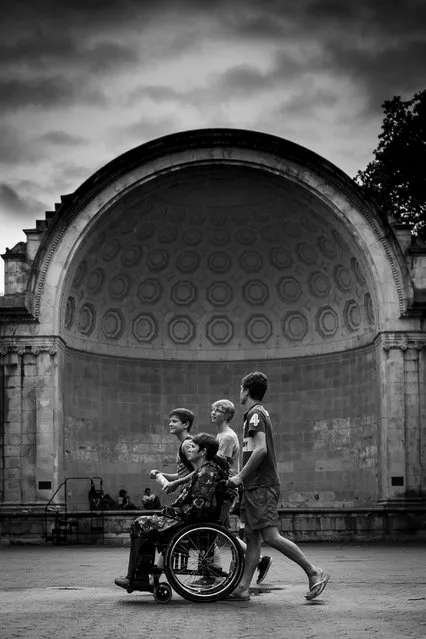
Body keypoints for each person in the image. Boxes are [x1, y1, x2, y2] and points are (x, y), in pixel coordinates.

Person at [228, 371, 330, 602]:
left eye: (240, 388)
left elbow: (261, 449)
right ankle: (243, 587)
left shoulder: (255, 415)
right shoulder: (255, 414)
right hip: (255, 486)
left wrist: (240, 477)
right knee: (252, 537)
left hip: (261, 485)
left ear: (246, 389)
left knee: (270, 536)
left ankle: (313, 571)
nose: (239, 392)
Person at [114, 433, 228, 590]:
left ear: (203, 452)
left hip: (186, 523)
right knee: (144, 525)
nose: (190, 450)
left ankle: (135, 578)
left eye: (193, 447)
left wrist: (172, 512)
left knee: (139, 524)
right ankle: (139, 577)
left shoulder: (206, 473)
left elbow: (198, 506)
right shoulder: (204, 471)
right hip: (185, 520)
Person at [211, 398, 272, 585]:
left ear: (227, 415)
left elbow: (220, 465)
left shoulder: (227, 437)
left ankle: (214, 572)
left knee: (218, 530)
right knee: (220, 530)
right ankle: (214, 570)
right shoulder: (220, 436)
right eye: (213, 409)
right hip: (222, 488)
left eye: (218, 410)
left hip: (224, 488)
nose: (213, 412)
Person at [150, 408, 197, 495]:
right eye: (170, 421)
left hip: (192, 492)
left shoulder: (187, 444)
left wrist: (176, 483)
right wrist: (162, 475)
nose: (170, 424)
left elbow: (199, 471)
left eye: (174, 421)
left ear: (186, 424)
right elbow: (182, 474)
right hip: (186, 491)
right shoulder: (185, 443)